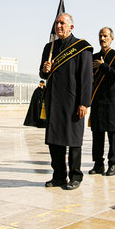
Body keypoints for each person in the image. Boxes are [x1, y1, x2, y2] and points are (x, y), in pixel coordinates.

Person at [40, 13, 92, 190]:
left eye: (63, 23)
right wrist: (45, 69)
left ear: (71, 27)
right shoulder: (49, 48)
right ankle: (59, 176)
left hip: (73, 102)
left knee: (74, 140)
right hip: (53, 101)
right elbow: (43, 73)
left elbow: (86, 78)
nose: (59, 26)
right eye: (57, 23)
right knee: (55, 141)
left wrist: (84, 103)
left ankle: (75, 176)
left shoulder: (81, 47)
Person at [89, 27, 115, 176]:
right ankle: (98, 164)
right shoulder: (93, 56)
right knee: (97, 134)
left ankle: (112, 163)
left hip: (111, 102)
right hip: (97, 100)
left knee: (112, 135)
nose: (102, 39)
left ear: (112, 38)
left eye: (105, 36)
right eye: (100, 36)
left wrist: (102, 66)